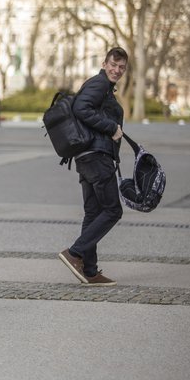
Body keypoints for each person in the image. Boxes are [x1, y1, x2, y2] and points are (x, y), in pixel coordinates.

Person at [58, 47, 128, 286]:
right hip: (97, 156)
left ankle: (89, 271)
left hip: (87, 157)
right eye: (114, 64)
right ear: (105, 63)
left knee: (93, 213)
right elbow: (81, 109)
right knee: (112, 210)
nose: (117, 70)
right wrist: (111, 127)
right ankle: (75, 252)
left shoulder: (104, 88)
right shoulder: (98, 84)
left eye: (121, 67)